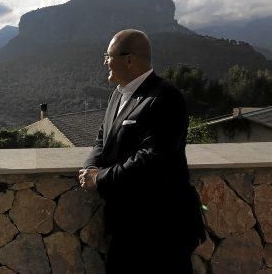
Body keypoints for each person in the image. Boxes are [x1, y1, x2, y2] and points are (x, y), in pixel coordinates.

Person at [79, 29, 205, 273]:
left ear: (129, 59)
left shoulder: (165, 98)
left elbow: (152, 160)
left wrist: (100, 178)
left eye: (108, 55)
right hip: (125, 226)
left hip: (161, 230)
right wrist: (91, 166)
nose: (105, 61)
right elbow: (102, 138)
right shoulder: (118, 95)